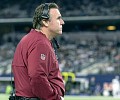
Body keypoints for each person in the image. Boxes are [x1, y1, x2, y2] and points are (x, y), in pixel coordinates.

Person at [12, 3, 65, 100]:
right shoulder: (40, 43)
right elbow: (37, 77)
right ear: (45, 21)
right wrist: (54, 98)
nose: (62, 22)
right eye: (58, 18)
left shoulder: (31, 39)